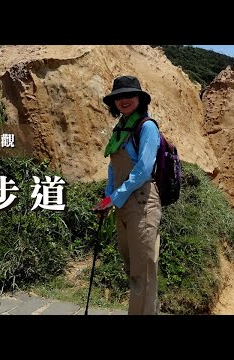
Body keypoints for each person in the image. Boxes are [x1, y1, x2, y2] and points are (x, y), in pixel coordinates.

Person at [93, 75, 162, 315]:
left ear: (139, 99)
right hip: (123, 204)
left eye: (129, 95)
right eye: (119, 97)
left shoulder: (147, 127)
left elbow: (143, 170)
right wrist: (108, 197)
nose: (124, 100)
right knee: (132, 266)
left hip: (143, 203)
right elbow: (113, 168)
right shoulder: (121, 129)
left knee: (142, 270)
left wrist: (116, 196)